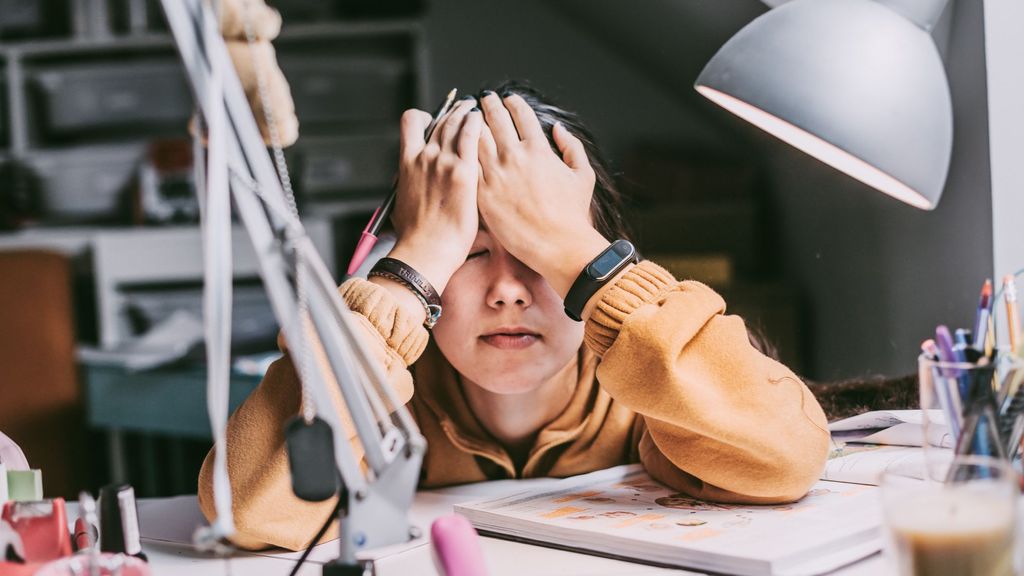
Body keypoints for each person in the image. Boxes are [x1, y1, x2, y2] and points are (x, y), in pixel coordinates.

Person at [197, 81, 830, 551]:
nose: (507, 292)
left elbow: (786, 460)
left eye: (540, 256)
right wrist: (408, 268)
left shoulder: (652, 382)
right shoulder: (383, 397)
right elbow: (255, 509)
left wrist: (585, 259)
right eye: (468, 253)